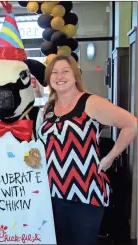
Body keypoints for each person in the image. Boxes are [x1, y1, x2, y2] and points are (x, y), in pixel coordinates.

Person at [38, 55, 137, 245]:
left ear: (75, 76)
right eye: (55, 72)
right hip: (53, 193)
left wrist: (109, 158)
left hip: (85, 192)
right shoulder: (48, 108)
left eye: (65, 71)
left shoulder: (90, 102)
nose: (60, 76)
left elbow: (132, 125)